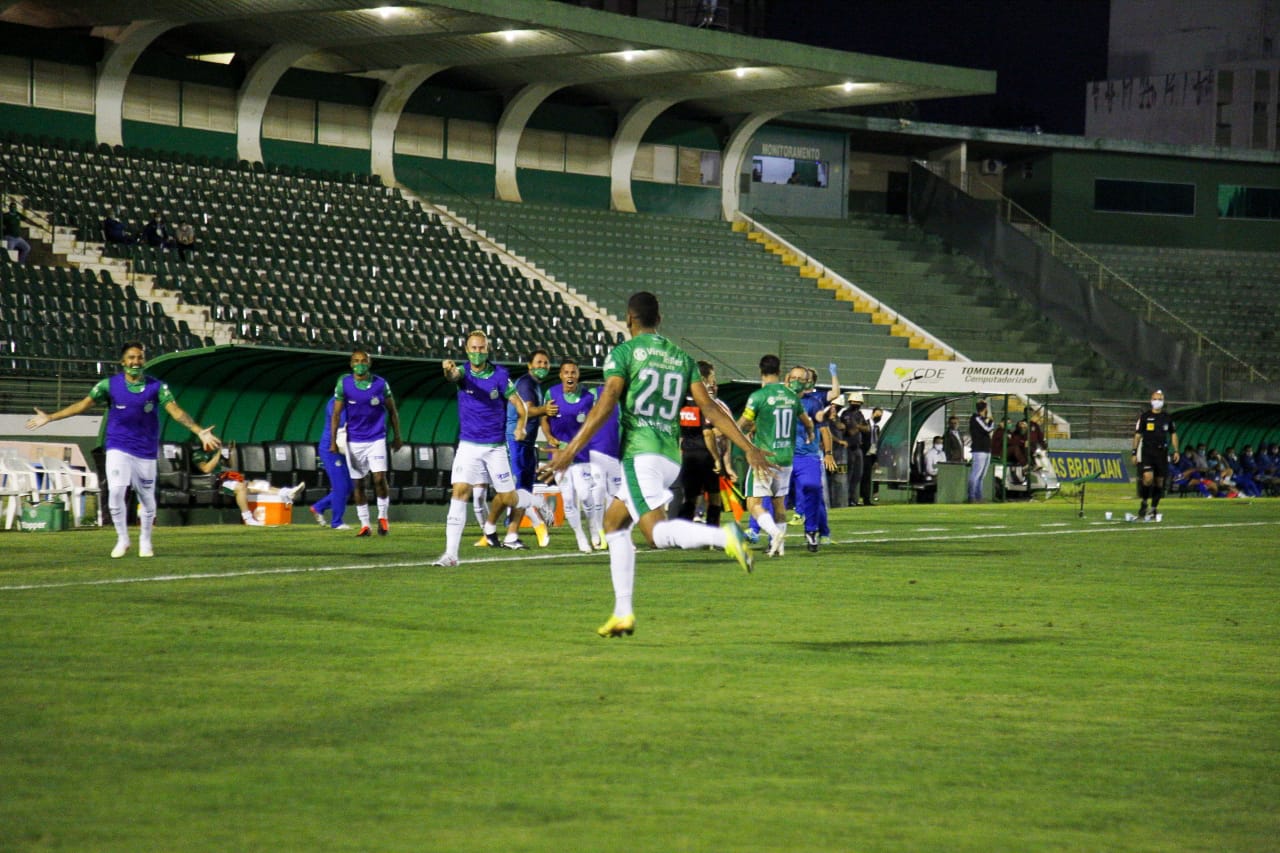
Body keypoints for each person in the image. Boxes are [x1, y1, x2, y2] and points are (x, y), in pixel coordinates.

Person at [542, 291, 774, 638]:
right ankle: (623, 612)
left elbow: (605, 405)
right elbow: (710, 408)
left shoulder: (624, 353)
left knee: (655, 534)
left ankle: (723, 536)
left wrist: (570, 450)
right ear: (659, 320)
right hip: (670, 455)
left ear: (629, 319)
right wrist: (748, 447)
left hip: (641, 452)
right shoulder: (681, 357)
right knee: (614, 524)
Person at [25, 340, 220, 558]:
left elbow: (176, 411)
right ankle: (122, 539)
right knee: (117, 490)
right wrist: (51, 417)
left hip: (145, 450)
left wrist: (199, 430)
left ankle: (145, 541)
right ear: (122, 361)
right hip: (118, 446)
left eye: (139, 357)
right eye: (131, 357)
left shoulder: (157, 386)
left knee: (146, 497)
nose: (136, 361)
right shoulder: (108, 385)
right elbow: (83, 404)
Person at [431, 330, 539, 566]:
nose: (477, 352)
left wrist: (521, 427)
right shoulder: (463, 372)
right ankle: (451, 555)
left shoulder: (500, 375)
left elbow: (521, 406)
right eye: (473, 348)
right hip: (468, 445)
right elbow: (453, 376)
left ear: (487, 350)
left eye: (481, 348)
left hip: (495, 448)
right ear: (467, 351)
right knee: (459, 492)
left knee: (509, 498)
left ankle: (535, 502)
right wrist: (447, 369)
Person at [738, 354, 813, 559]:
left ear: (760, 371)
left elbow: (744, 423)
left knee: (753, 504)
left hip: (764, 458)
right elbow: (807, 422)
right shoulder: (791, 396)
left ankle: (774, 533)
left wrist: (732, 433)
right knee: (779, 503)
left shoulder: (758, 396)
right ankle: (779, 548)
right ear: (780, 372)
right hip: (786, 458)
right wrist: (811, 433)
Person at [330, 349, 402, 537]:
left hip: (377, 438)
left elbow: (393, 411)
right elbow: (336, 414)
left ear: (369, 363)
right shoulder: (344, 384)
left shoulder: (380, 384)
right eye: (356, 361)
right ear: (351, 364)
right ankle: (364, 524)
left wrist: (397, 436)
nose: (360, 364)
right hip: (354, 440)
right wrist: (333, 442)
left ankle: (383, 518)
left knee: (379, 478)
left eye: (363, 361)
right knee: (359, 483)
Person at [541, 359, 599, 553]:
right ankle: (580, 537)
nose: (570, 376)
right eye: (566, 373)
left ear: (578, 375)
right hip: (559, 456)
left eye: (573, 372)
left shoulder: (589, 397)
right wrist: (549, 436)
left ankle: (592, 526)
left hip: (581, 454)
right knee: (567, 498)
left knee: (584, 493)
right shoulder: (552, 393)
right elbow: (544, 418)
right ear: (561, 375)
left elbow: (595, 422)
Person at [504, 349, 556, 548]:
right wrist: (544, 409)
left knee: (523, 488)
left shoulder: (536, 385)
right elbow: (525, 410)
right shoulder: (526, 383)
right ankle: (538, 510)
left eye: (545, 363)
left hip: (527, 442)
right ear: (529, 365)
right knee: (515, 490)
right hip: (516, 440)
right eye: (539, 362)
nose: (542, 366)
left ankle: (510, 535)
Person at [192, 440, 304, 525]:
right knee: (241, 487)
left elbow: (229, 465)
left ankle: (286, 492)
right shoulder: (198, 454)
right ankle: (248, 518)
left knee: (260, 485)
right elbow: (206, 469)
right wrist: (218, 454)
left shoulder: (214, 452)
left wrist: (229, 452)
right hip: (216, 482)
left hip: (227, 478)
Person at [789, 365, 836, 552]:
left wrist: (828, 453)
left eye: (801, 379)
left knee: (814, 491)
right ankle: (763, 533)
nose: (797, 382)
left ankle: (815, 530)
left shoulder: (814, 402)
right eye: (793, 378)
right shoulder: (779, 399)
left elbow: (824, 430)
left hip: (808, 456)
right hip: (783, 455)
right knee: (771, 496)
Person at [676, 361, 726, 526]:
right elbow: (707, 433)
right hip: (705, 455)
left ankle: (682, 534)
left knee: (690, 497)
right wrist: (716, 457)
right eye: (712, 377)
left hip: (688, 455)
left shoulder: (681, 402)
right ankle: (713, 533)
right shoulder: (703, 402)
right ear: (703, 379)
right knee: (714, 496)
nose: (713, 381)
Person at [1131, 389, 1180, 522]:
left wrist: (1176, 450)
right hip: (1148, 452)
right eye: (1154, 399)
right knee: (1147, 478)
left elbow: (1173, 434)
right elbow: (1137, 435)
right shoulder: (1145, 417)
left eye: (1159, 399)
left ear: (1163, 402)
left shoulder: (1167, 418)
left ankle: (1153, 509)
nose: (1156, 401)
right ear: (1151, 400)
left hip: (1161, 453)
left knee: (1159, 482)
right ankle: (1144, 502)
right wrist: (1134, 452)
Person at [310, 396, 352, 530]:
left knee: (350, 486)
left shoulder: (351, 402)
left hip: (343, 449)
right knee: (340, 486)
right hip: (331, 449)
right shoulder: (334, 402)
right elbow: (341, 421)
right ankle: (337, 522)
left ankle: (319, 507)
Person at [836, 391, 868, 507]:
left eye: (858, 402)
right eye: (854, 402)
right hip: (849, 448)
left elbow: (866, 428)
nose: (856, 404)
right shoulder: (846, 414)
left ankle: (853, 499)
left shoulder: (859, 414)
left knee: (857, 475)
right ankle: (847, 499)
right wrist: (859, 427)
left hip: (858, 447)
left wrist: (858, 426)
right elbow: (850, 430)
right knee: (848, 475)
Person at [967, 399, 995, 502]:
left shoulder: (982, 419)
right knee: (976, 474)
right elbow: (987, 429)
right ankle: (972, 496)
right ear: (984, 408)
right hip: (979, 450)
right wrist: (991, 421)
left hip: (986, 449)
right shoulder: (976, 418)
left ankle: (979, 496)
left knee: (981, 476)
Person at [861, 406, 884, 506]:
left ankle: (866, 498)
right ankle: (859, 497)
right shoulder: (864, 424)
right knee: (861, 477)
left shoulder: (877, 428)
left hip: (871, 454)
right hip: (863, 453)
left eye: (880, 416)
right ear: (872, 413)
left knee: (867, 477)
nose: (878, 417)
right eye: (877, 414)